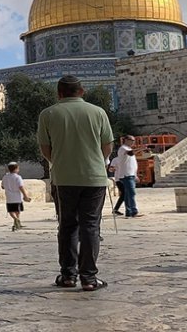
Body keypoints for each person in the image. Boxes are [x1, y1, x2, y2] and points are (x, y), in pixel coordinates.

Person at [37, 75, 113, 292]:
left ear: (59, 93)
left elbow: (45, 148)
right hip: (94, 178)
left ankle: (68, 275)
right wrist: (97, 161)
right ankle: (89, 278)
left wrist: (60, 162)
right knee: (90, 226)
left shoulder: (48, 114)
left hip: (63, 179)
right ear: (81, 92)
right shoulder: (98, 112)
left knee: (67, 226)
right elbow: (107, 146)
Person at [1, 162, 31, 231]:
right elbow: (21, 187)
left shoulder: (5, 177)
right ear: (16, 169)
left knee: (11, 210)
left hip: (9, 197)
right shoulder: (18, 177)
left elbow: (2, 186)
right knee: (17, 210)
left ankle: (15, 221)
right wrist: (25, 196)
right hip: (17, 197)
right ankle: (17, 220)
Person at [116, 135, 140, 218]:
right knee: (131, 193)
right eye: (131, 140)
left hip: (131, 174)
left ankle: (129, 211)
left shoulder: (128, 149)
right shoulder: (123, 148)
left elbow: (132, 164)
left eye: (134, 140)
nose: (133, 142)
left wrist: (135, 175)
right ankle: (133, 211)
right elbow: (130, 153)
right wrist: (142, 148)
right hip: (126, 175)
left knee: (127, 194)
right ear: (126, 140)